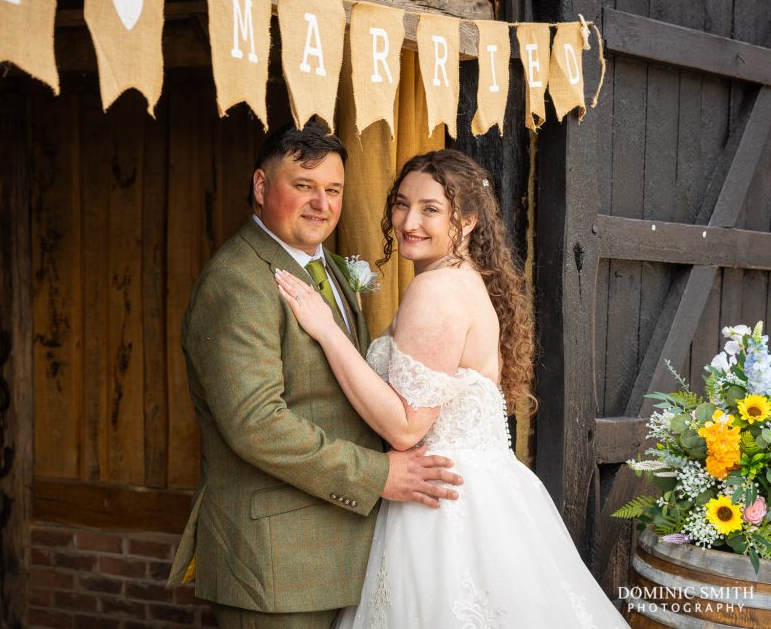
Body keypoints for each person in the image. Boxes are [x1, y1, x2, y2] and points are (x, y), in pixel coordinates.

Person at [274, 150, 629, 627]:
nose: (408, 221)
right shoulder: (464, 279)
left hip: (439, 505)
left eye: (430, 209)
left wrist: (326, 328)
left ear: (466, 221)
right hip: (476, 493)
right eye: (401, 204)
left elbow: (406, 427)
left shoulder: (437, 289)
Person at [167, 121, 464, 628]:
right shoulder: (238, 281)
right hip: (276, 565)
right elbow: (257, 424)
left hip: (341, 548)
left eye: (333, 190)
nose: (320, 204)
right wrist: (378, 475)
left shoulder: (323, 267)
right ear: (261, 187)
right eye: (303, 186)